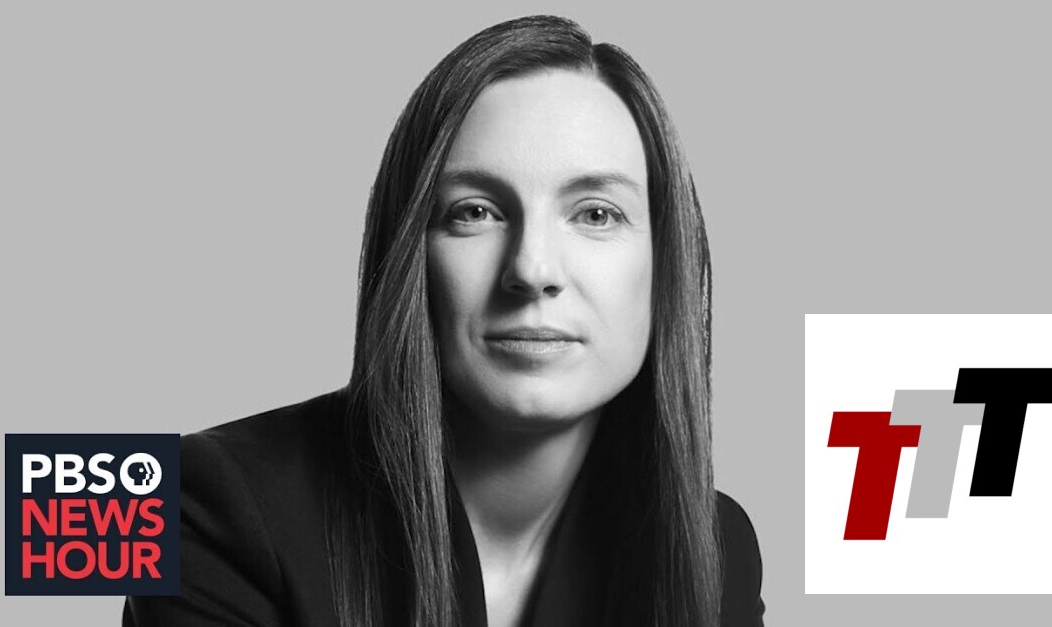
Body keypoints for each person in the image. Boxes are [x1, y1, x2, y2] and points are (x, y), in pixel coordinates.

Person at [124, 15, 763, 627]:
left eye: (596, 214)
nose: (533, 269)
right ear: (409, 253)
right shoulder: (190, 498)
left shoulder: (716, 542)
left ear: (665, 262)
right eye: (474, 212)